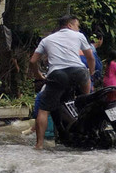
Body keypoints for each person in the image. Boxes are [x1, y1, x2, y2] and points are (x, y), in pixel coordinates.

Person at [30, 13, 97, 150]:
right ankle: (87, 127)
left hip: (57, 75)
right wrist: (90, 73)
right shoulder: (79, 36)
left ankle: (39, 145)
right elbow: (91, 58)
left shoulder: (47, 39)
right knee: (86, 102)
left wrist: (37, 74)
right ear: (69, 25)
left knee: (44, 110)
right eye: (77, 26)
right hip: (79, 72)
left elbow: (32, 60)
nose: (78, 29)